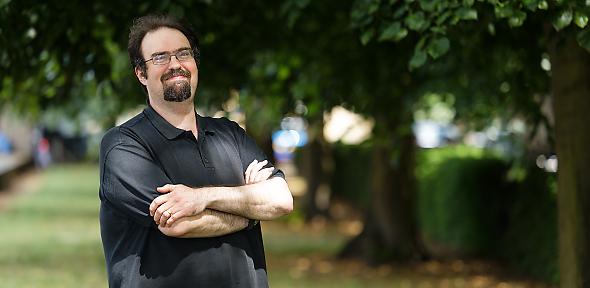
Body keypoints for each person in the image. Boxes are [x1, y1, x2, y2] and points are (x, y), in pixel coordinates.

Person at [98, 14, 293, 287]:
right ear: (141, 73)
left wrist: (201, 198)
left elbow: (281, 200)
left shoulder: (230, 134)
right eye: (160, 57)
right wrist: (251, 210)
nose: (175, 64)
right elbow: (179, 224)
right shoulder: (124, 144)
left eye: (183, 53)